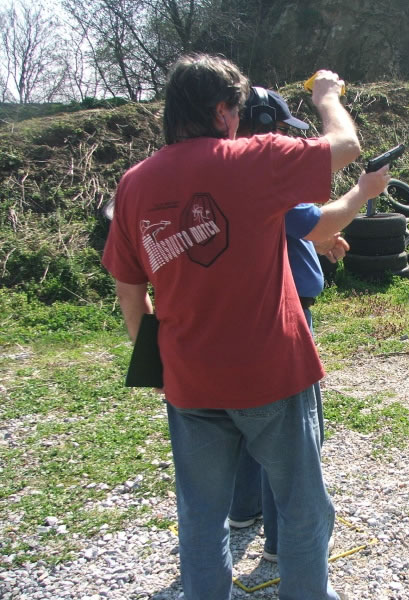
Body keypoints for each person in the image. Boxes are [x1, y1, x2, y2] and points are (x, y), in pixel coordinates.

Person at [101, 54, 388, 600]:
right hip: (272, 374)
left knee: (201, 517)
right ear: (221, 112)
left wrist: (156, 366)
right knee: (302, 509)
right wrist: (327, 95)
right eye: (234, 111)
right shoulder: (254, 159)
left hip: (190, 382)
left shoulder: (134, 184)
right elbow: (346, 146)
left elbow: (129, 290)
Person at [227, 87, 381, 563]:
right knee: (290, 434)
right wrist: (363, 192)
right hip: (283, 316)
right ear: (261, 126)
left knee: (249, 421)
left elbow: (284, 230)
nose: (285, 139)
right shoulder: (262, 172)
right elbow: (312, 220)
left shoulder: (223, 174)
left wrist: (315, 242)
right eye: (278, 128)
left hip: (243, 318)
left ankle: (243, 510)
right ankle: (284, 541)